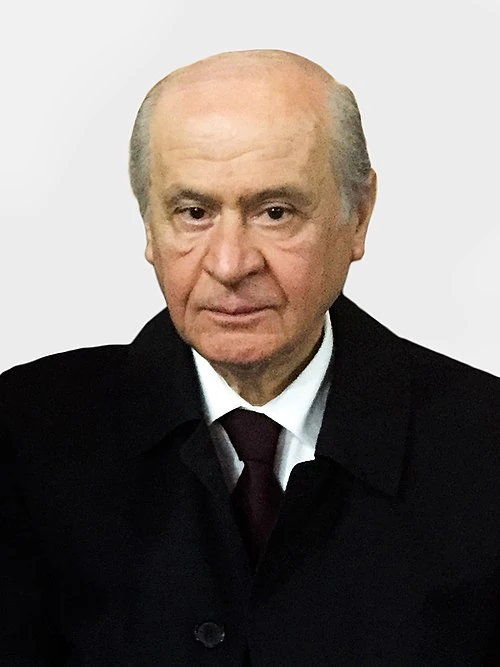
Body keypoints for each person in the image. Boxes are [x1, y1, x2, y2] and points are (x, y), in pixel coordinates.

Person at [1, 49, 499, 666]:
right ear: (149, 227)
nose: (231, 264)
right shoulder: (23, 435)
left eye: (275, 213)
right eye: (194, 213)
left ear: (359, 215)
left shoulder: (486, 446)